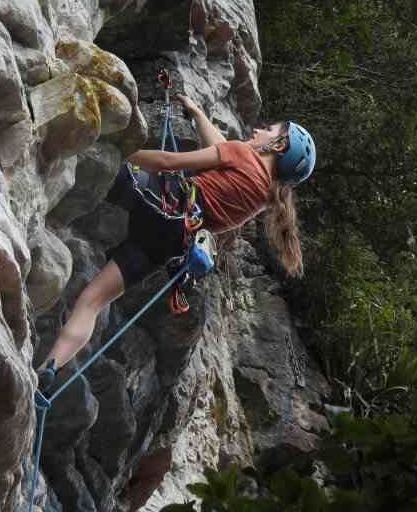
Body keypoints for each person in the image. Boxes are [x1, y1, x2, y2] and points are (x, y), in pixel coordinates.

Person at [37, 94, 316, 391]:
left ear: (278, 145)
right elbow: (222, 152)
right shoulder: (262, 200)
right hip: (170, 243)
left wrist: (123, 153)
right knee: (93, 300)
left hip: (157, 199)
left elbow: (169, 161)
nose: (259, 130)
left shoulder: (240, 153)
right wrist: (196, 113)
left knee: (91, 157)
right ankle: (49, 367)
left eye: (269, 130)